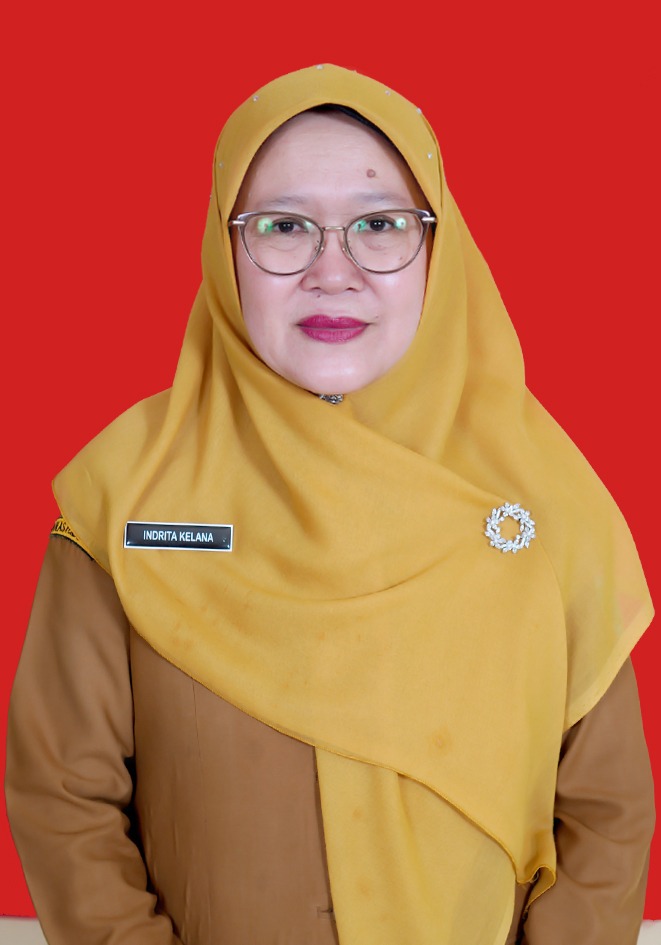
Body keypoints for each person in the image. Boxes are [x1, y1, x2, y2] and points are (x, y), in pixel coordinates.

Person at [5, 63, 655, 945]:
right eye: (283, 226)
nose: (332, 272)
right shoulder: (128, 495)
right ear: (225, 251)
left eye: (380, 224)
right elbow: (63, 796)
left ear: (438, 248)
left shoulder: (544, 506)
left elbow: (606, 816)